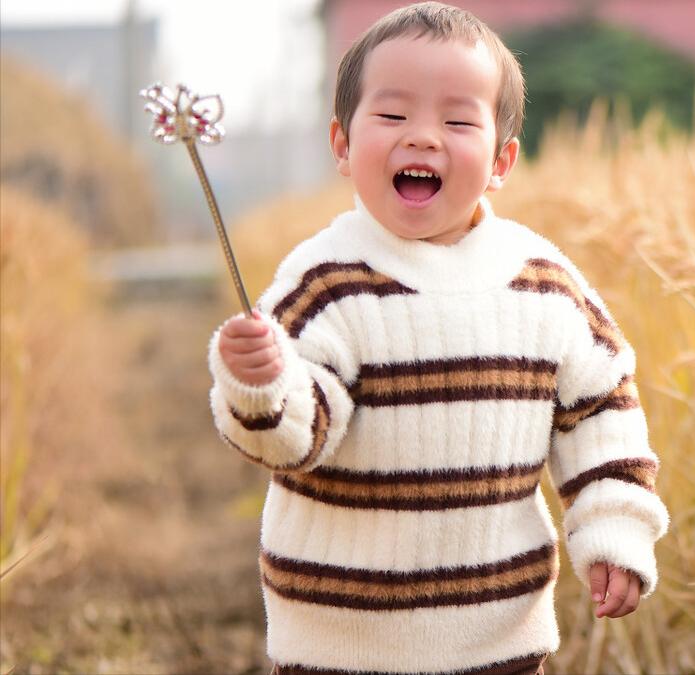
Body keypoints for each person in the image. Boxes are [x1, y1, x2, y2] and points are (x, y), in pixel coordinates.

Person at [207, 3, 669, 673]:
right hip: (341, 642)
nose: (423, 137)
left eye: (457, 120)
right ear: (341, 143)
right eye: (393, 116)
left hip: (500, 638)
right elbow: (295, 436)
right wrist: (261, 382)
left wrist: (616, 531)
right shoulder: (324, 284)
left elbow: (602, 414)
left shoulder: (543, 285)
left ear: (502, 158)